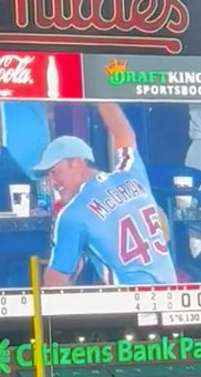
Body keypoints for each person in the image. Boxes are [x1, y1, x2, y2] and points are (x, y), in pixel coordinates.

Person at [33, 103, 176, 286]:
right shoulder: (131, 174)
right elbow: (125, 135)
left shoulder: (72, 214)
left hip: (130, 304)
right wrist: (100, 97)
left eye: (54, 172)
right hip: (171, 294)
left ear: (76, 163)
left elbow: (56, 282)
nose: (50, 182)